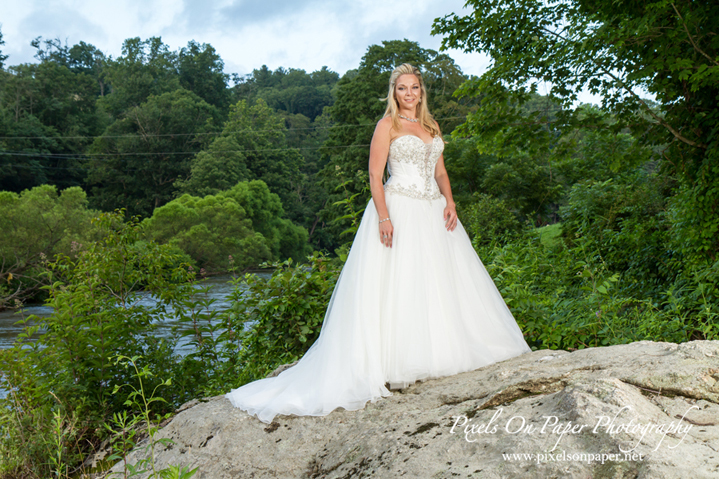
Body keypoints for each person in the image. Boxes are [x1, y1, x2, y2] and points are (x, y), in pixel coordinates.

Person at [226, 63, 532, 424]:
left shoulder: (431, 126)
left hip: (434, 211)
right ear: (394, 92)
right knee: (399, 282)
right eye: (402, 88)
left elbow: (441, 171)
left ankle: (440, 354)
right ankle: (394, 359)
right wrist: (385, 218)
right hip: (399, 208)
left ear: (421, 92)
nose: (409, 94)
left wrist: (450, 202)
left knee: (439, 282)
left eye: (414, 87)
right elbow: (375, 174)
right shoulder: (387, 126)